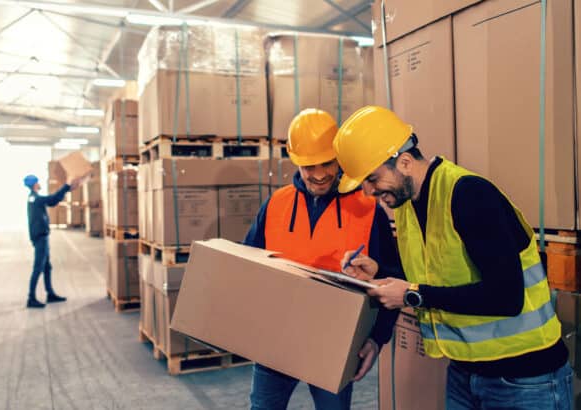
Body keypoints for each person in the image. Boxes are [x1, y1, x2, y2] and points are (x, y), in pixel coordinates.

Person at [335, 106, 572, 410]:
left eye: (372, 178)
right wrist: (380, 270)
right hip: (465, 372)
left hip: (525, 379)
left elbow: (506, 296)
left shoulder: (468, 194)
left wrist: (410, 295)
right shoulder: (407, 205)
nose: (368, 191)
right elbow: (434, 276)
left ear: (404, 161)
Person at [244, 109, 402, 410]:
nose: (319, 174)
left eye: (327, 163)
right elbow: (248, 266)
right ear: (295, 161)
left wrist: (377, 338)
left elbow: (391, 276)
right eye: (309, 166)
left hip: (335, 345)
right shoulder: (276, 205)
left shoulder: (368, 209)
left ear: (338, 158)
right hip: (276, 340)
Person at [23, 174, 83, 309]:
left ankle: (50, 294)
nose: (39, 184)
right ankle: (31, 298)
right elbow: (52, 199)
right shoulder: (35, 198)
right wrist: (67, 186)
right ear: (34, 184)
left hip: (41, 236)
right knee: (38, 267)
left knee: (47, 267)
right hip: (40, 237)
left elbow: (53, 201)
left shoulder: (34, 198)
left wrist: (67, 190)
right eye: (37, 182)